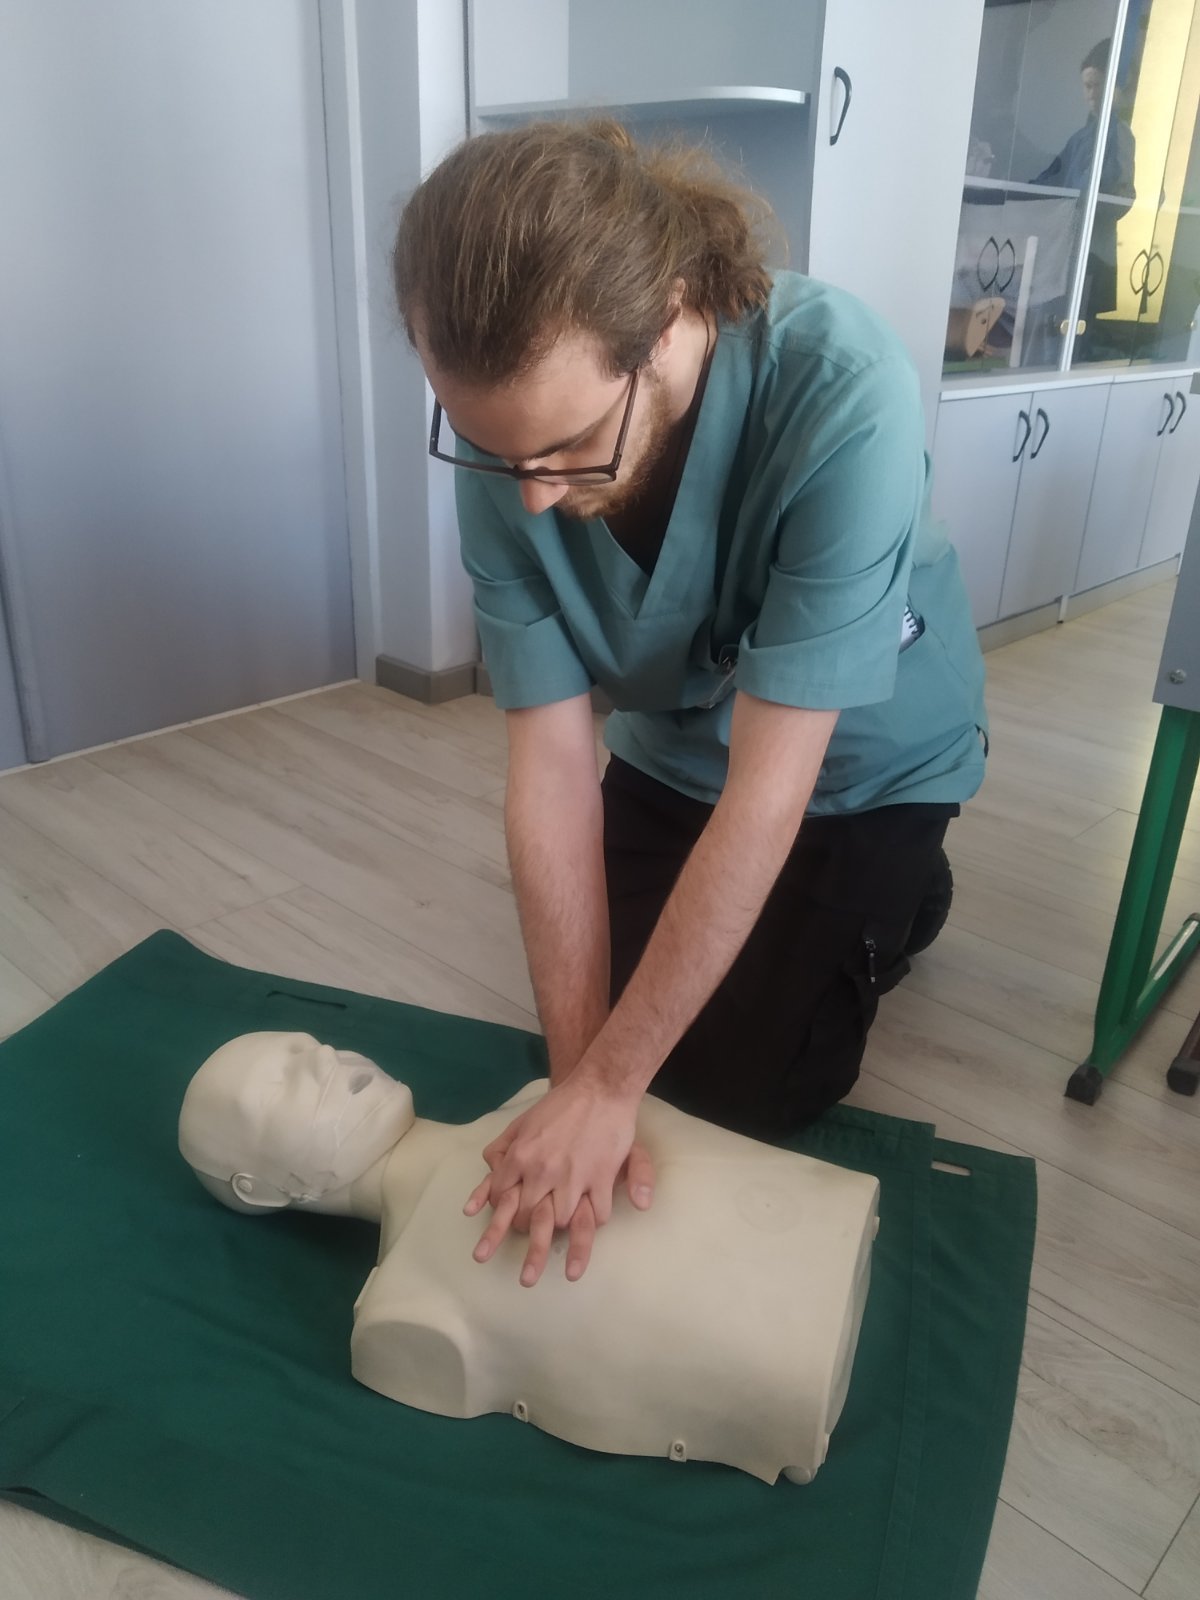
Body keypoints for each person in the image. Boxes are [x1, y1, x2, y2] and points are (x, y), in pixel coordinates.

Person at [391, 120, 987, 1286]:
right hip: (674, 749)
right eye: (494, 452)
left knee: (743, 1092)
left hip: (857, 765)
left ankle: (909, 891)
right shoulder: (515, 448)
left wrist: (615, 1084)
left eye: (568, 447)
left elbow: (770, 792)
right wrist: (582, 1077)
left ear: (666, 322)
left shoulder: (844, 388)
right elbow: (552, 773)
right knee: (617, 1049)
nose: (531, 500)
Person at [178, 1031, 880, 1485]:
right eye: (283, 1086)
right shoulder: (406, 1312)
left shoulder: (543, 1100)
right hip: (795, 1380)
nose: (328, 1063)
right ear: (257, 1187)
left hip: (829, 1215)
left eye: (313, 1047)